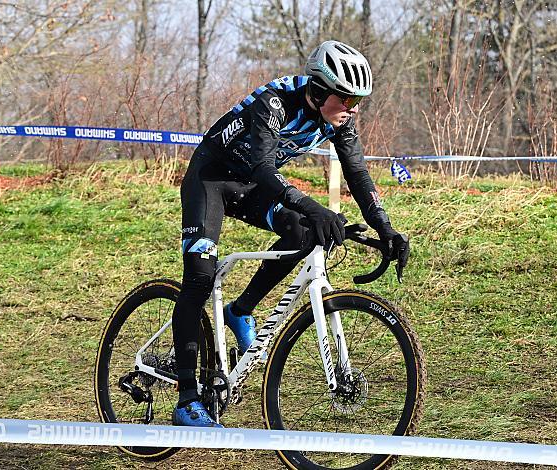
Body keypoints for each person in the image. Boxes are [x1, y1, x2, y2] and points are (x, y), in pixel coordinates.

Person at [171, 40, 409, 427]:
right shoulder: (275, 102)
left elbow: (358, 174)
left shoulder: (338, 120)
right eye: (348, 99)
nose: (354, 108)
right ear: (319, 90)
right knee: (199, 277)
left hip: (250, 186)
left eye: (358, 100)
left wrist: (386, 228)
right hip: (211, 181)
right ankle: (186, 399)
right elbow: (264, 168)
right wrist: (313, 205)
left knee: (305, 233)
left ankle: (240, 311)